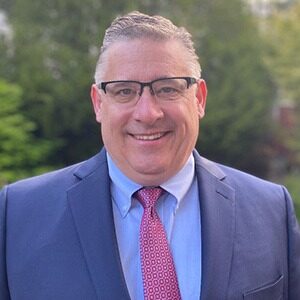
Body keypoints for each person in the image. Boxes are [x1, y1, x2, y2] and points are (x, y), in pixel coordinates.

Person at [1, 11, 299, 300]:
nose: (148, 113)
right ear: (98, 103)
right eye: (124, 91)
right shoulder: (18, 215)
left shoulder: (270, 210)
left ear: (199, 99)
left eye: (167, 89)